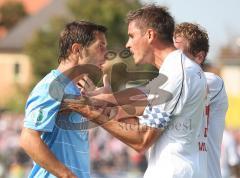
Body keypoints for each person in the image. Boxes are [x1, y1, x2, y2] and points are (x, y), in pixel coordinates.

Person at [62, 5, 207, 178]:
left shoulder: (178, 73)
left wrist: (88, 111)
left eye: (132, 36)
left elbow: (142, 140)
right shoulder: (174, 71)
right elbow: (137, 120)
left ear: (150, 35)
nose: (127, 44)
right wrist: (108, 103)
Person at [20, 21, 108, 178]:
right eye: (100, 46)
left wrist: (103, 101)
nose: (106, 53)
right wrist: (68, 175)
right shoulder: (53, 86)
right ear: (77, 49)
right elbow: (28, 138)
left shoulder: (73, 89)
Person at [173, 22, 229, 178]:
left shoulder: (213, 82)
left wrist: (112, 98)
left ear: (199, 57)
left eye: (178, 54)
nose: (172, 59)